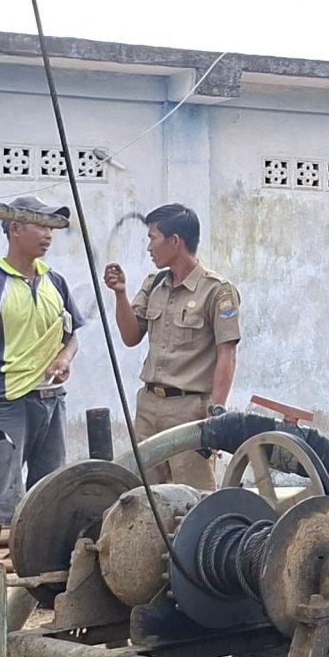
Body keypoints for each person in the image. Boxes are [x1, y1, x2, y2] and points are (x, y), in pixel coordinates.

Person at [102, 202, 240, 488]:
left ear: (175, 241)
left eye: (153, 238)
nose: (149, 248)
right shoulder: (154, 285)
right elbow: (130, 336)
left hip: (189, 412)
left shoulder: (217, 291)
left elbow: (227, 354)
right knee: (143, 498)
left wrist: (216, 413)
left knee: (193, 499)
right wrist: (119, 295)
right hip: (149, 408)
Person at [0, 198, 81, 554]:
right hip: (7, 404)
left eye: (51, 228)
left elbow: (71, 337)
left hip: (50, 400)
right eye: (41, 225)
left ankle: (37, 576)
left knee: (49, 496)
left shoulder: (56, 283)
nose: (48, 234)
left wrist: (63, 359)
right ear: (15, 229)